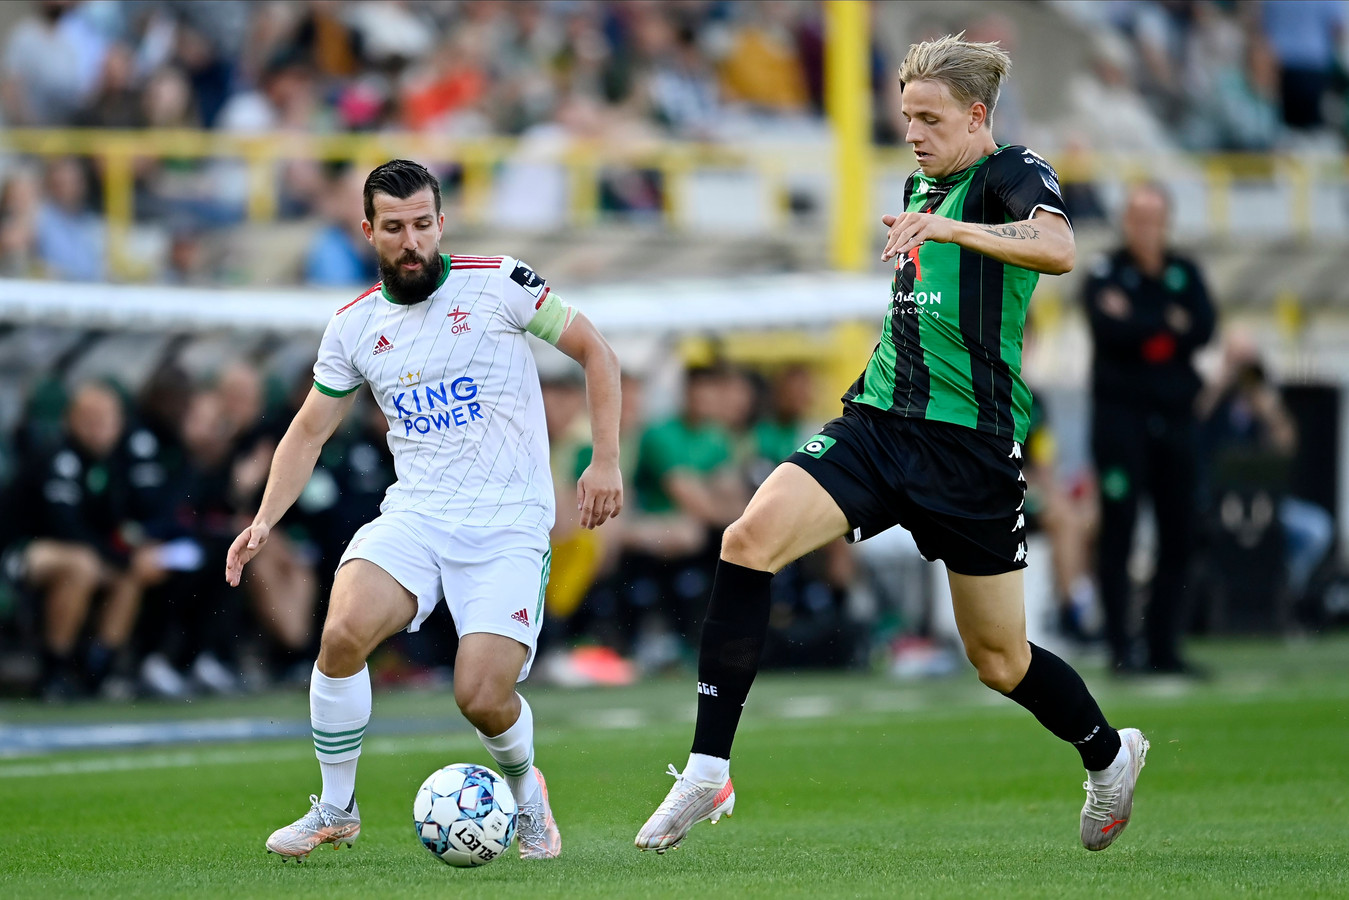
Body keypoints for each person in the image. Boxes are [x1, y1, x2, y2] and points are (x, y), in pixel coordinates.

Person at [635, 34, 1147, 856]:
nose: (911, 131)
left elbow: (1057, 249)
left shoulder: (1012, 171)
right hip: (876, 425)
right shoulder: (918, 182)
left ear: (976, 116)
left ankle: (1106, 755)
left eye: (928, 117)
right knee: (747, 539)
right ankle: (706, 770)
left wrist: (949, 233)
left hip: (969, 449)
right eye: (904, 115)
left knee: (998, 659)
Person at [225, 159, 622, 862]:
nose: (410, 242)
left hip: (507, 524)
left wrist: (604, 460)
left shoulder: (499, 282)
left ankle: (528, 796)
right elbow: (309, 430)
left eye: (420, 225)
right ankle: (335, 808)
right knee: (342, 631)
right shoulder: (352, 327)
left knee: (480, 695)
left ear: (440, 223)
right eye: (393, 228)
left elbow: (596, 353)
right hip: (417, 515)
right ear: (368, 232)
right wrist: (263, 519)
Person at [1085, 182, 1216, 675]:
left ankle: (1165, 645)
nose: (1145, 228)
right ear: (1125, 222)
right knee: (1118, 530)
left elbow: (1204, 328)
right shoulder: (1105, 271)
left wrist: (1142, 320)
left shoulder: (1185, 271)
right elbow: (1109, 328)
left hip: (1177, 422)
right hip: (1121, 424)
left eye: (1154, 218)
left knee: (1179, 534)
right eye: (1137, 218)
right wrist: (1167, 324)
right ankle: (1120, 648)